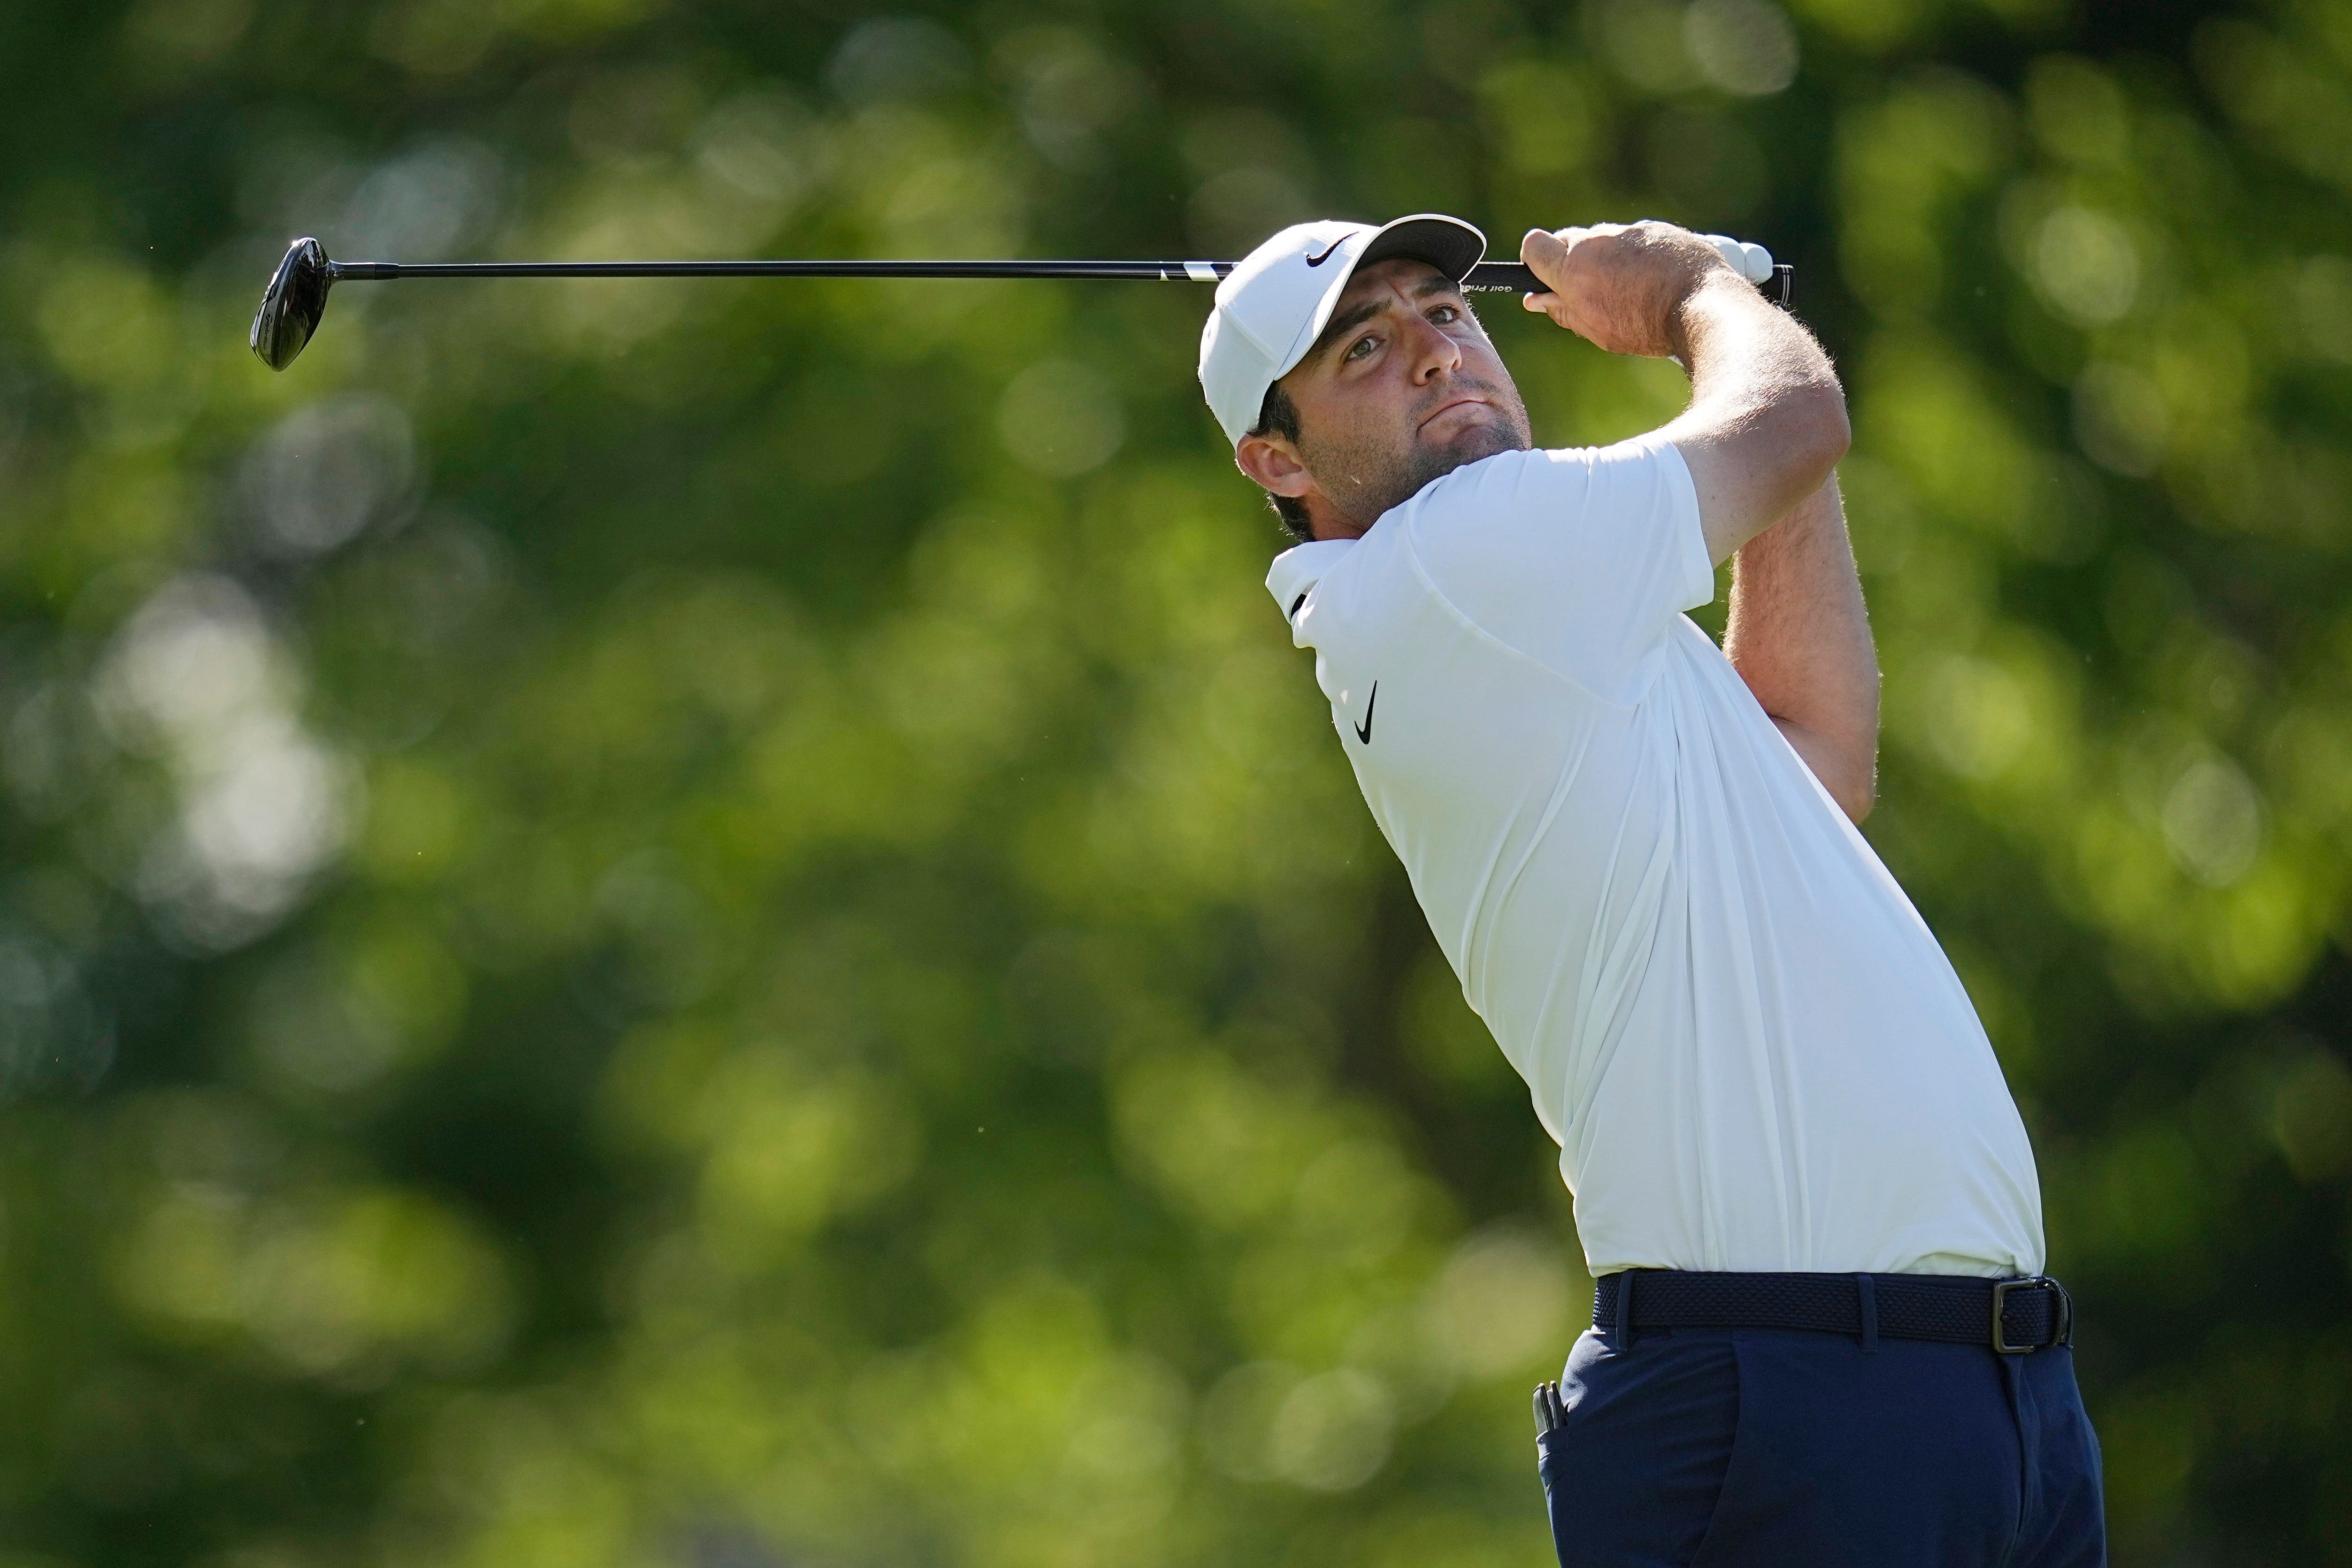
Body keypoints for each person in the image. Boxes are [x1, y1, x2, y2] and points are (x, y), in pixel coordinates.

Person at [1195, 215, 2106, 1567]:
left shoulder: (1538, 610)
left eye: (1445, 312)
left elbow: (1811, 747)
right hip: (1787, 1398)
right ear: (1275, 459)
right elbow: (1791, 422)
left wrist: (1734, 316)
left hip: (1965, 1395)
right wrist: (1694, 293)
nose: (1436, 356)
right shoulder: (1460, 559)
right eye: (1364, 350)